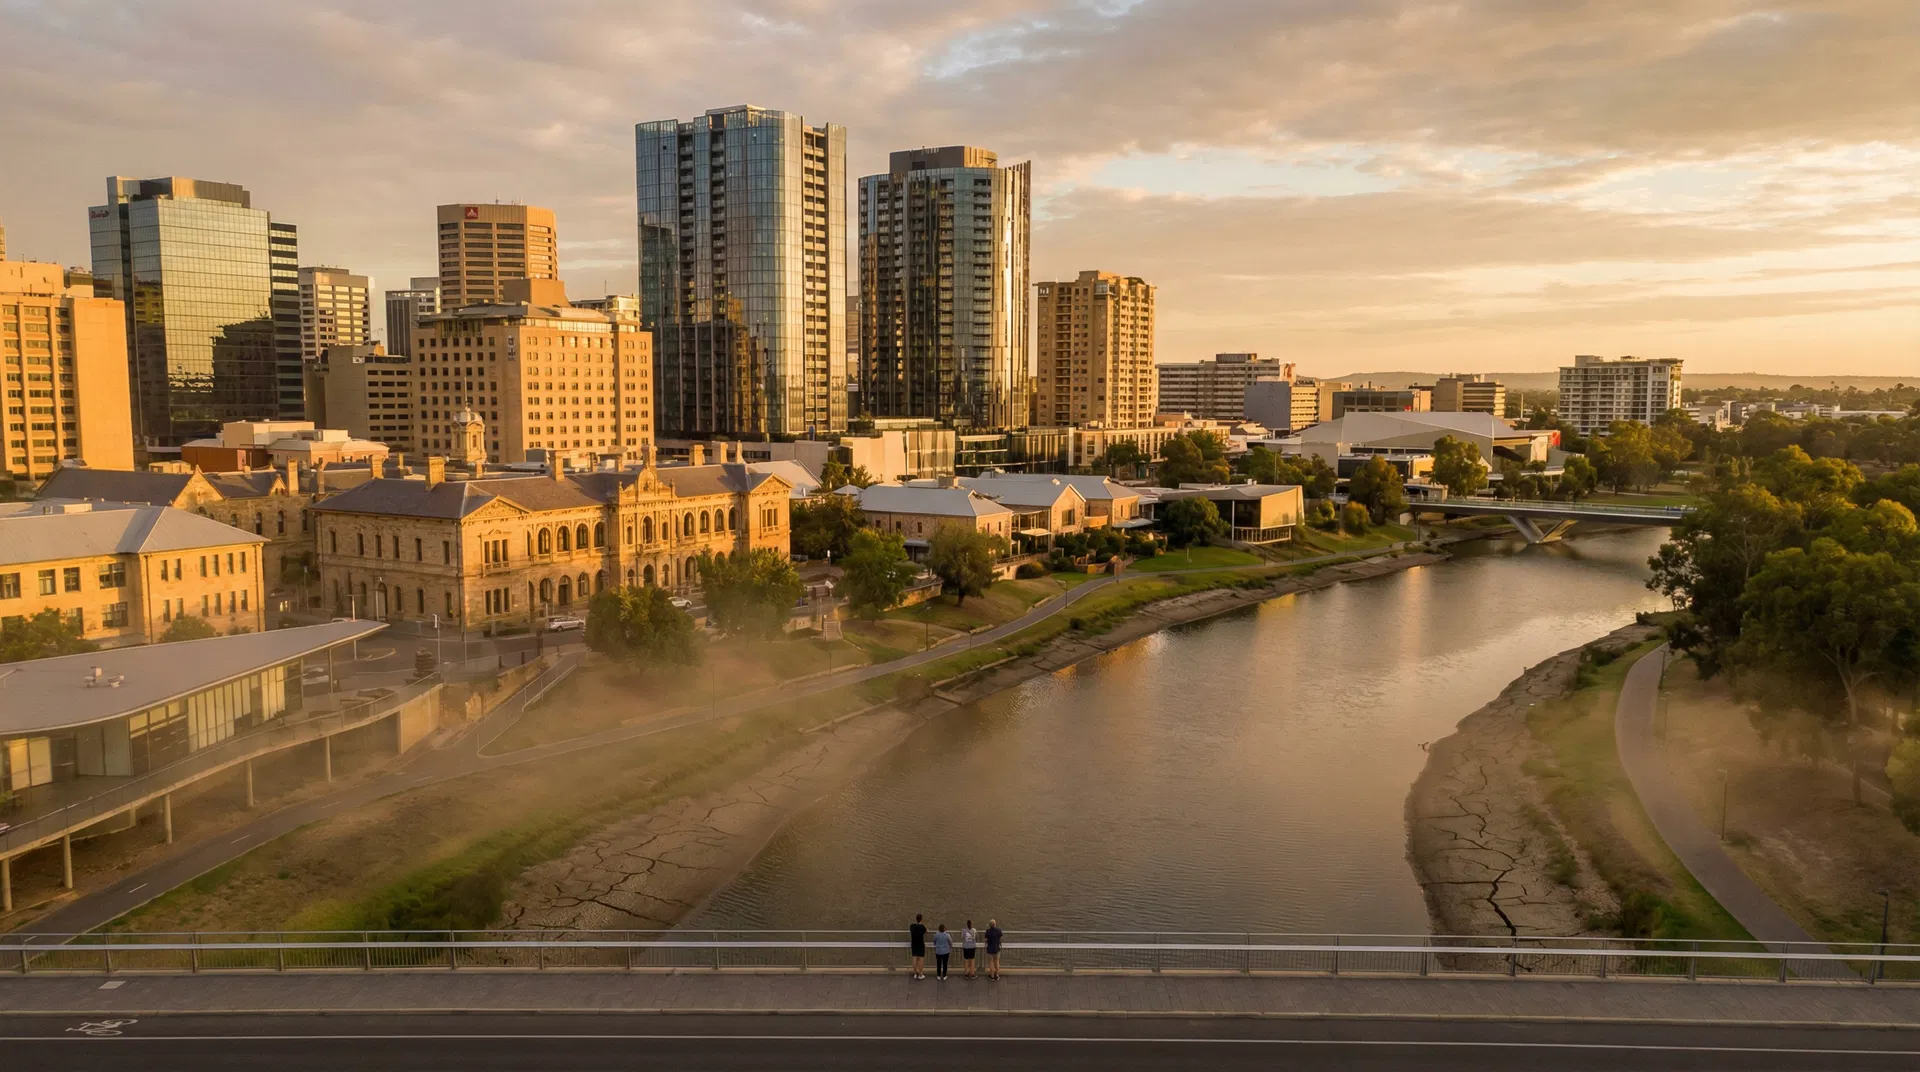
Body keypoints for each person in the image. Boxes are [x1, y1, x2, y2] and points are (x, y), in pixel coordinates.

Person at [909, 914, 928, 980]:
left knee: (914, 960)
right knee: (921, 960)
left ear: (916, 919)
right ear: (921, 919)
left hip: (914, 944)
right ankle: (920, 974)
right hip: (920, 945)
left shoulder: (912, 926)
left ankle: (915, 973)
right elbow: (927, 931)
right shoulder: (922, 927)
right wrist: (923, 924)